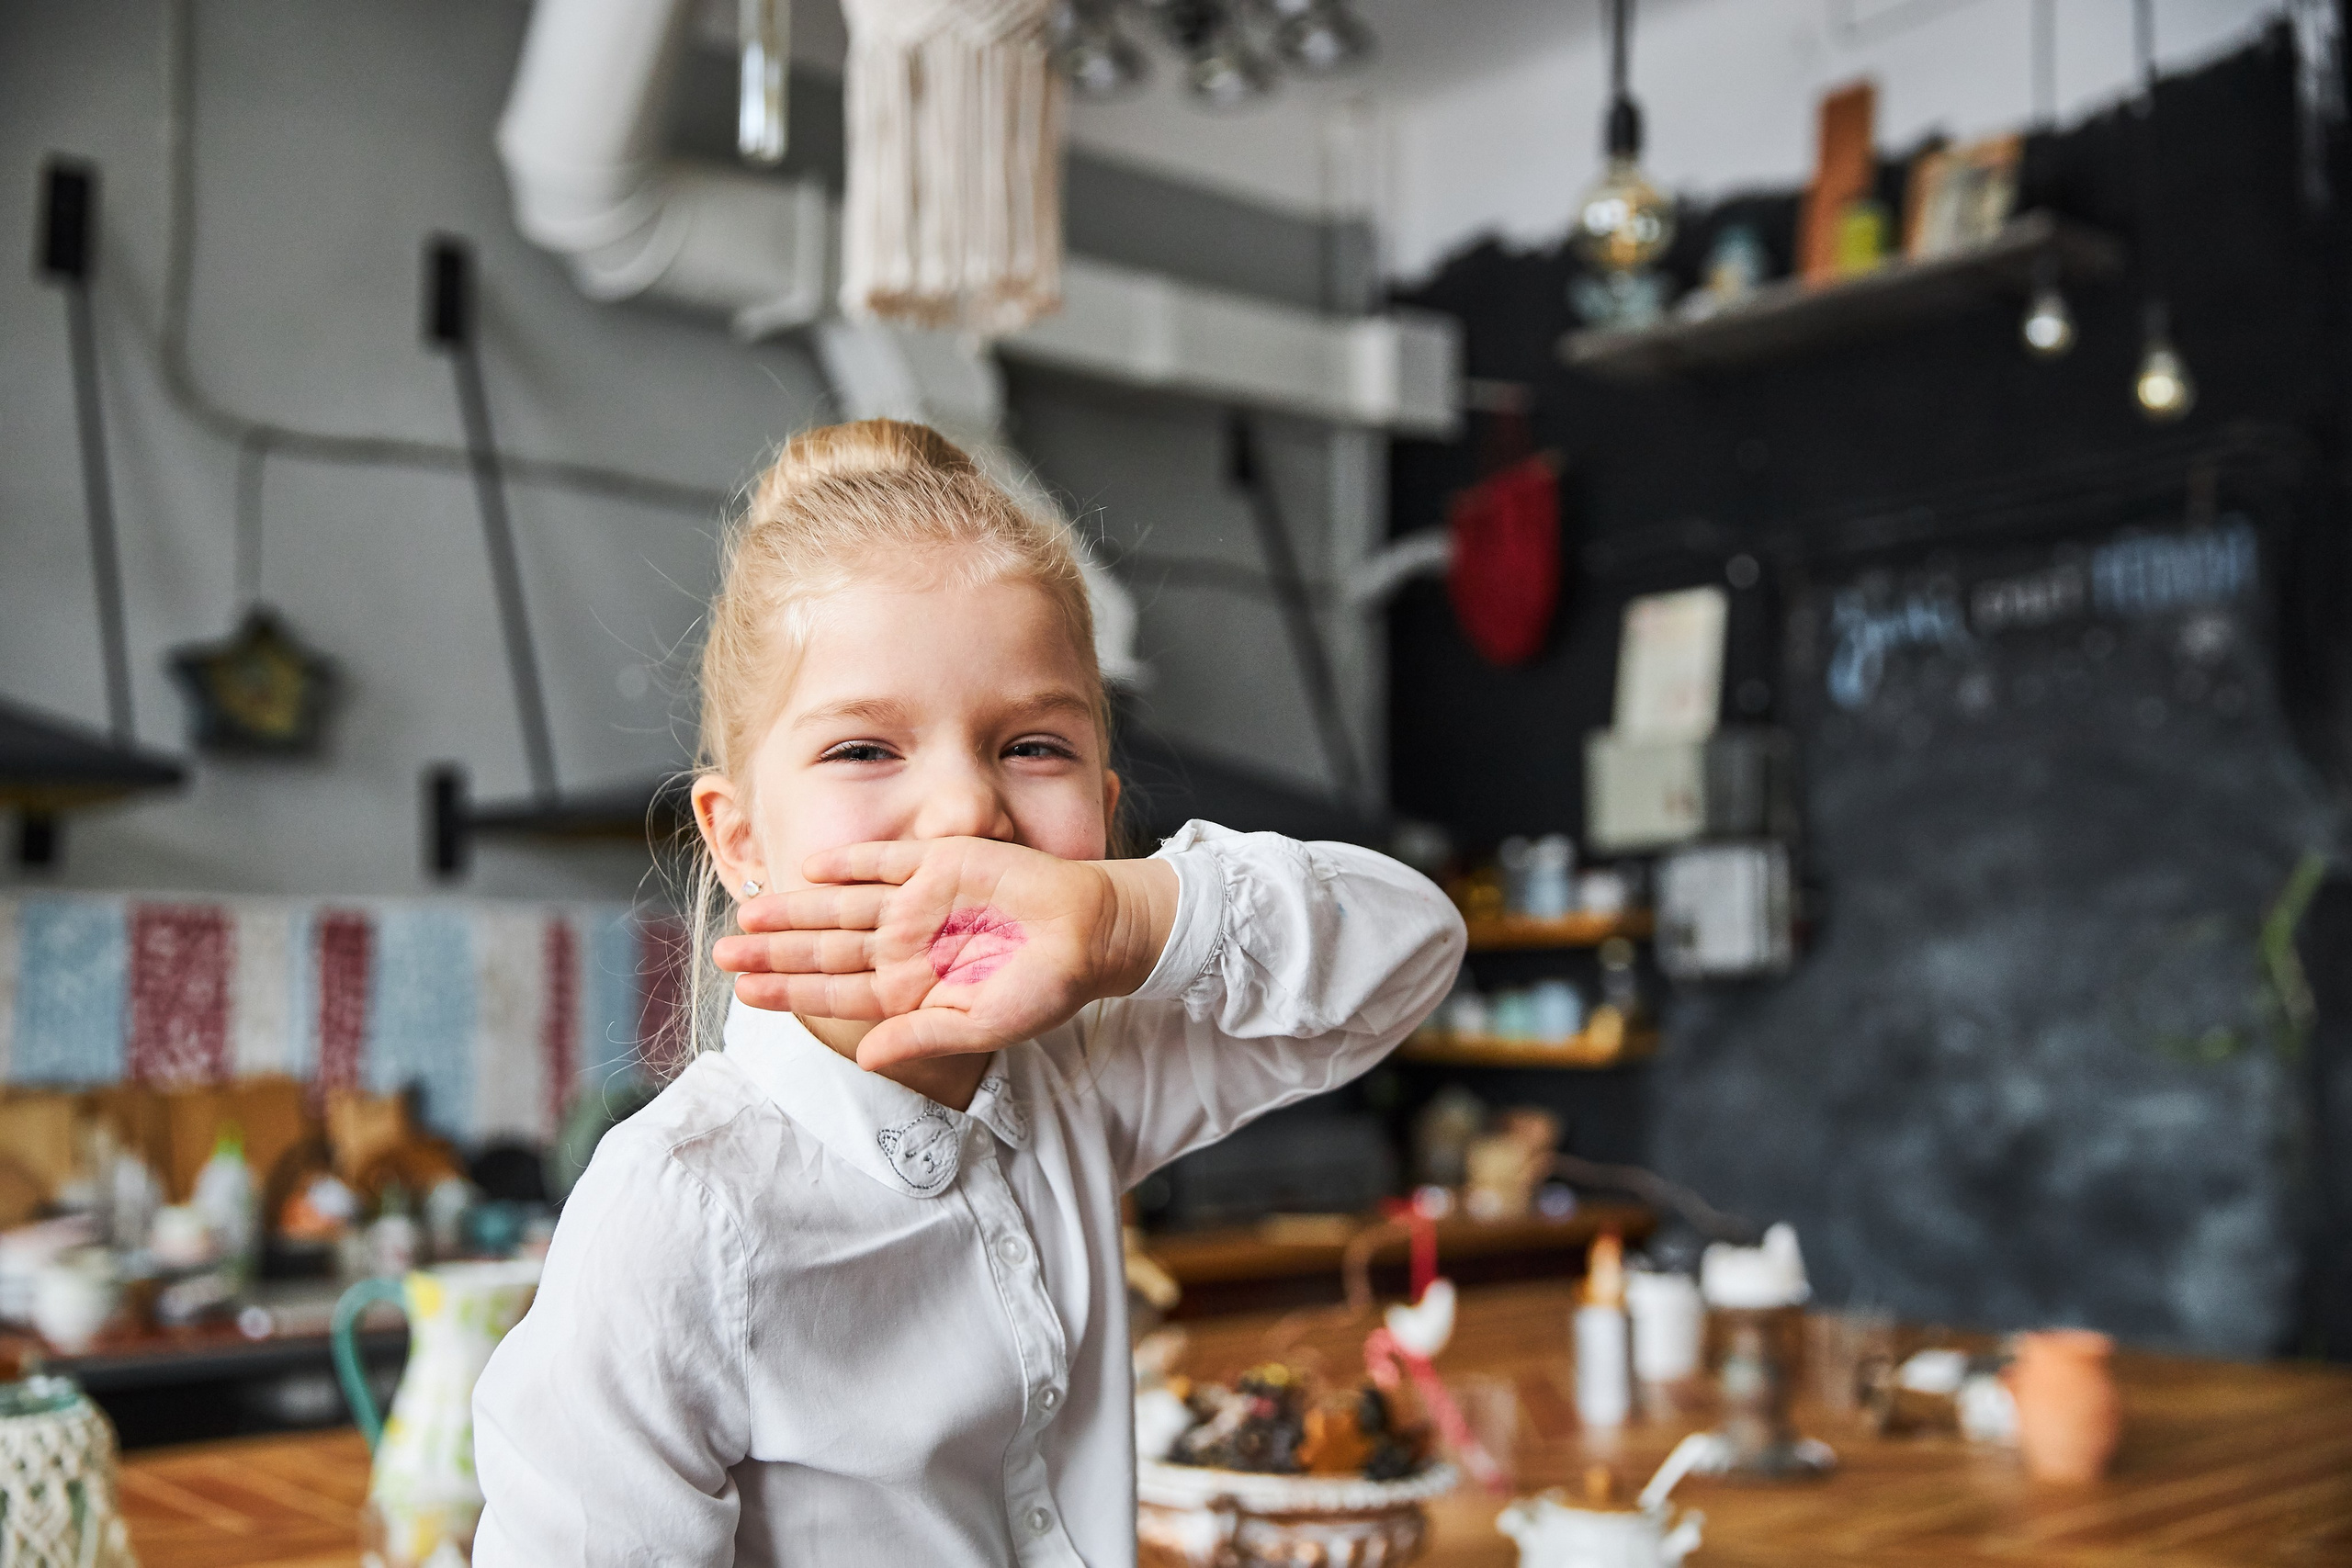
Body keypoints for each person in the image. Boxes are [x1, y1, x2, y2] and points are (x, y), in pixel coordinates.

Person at [471, 420, 1464, 1566]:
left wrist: (1127, 917)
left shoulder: (1080, 1069)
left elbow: (1411, 950)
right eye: (863, 750)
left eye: (1031, 746)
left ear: (1102, 803)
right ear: (739, 841)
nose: (964, 814)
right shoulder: (679, 1211)